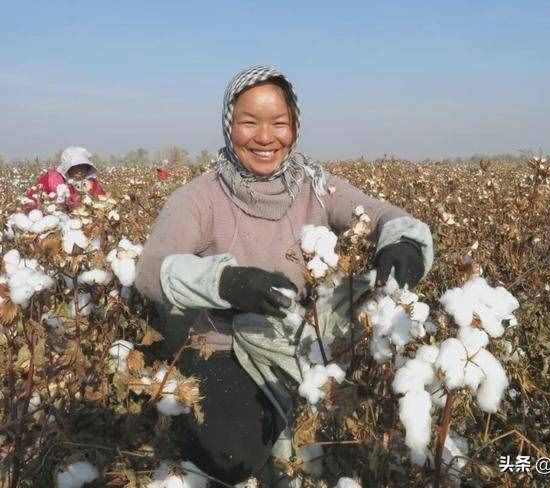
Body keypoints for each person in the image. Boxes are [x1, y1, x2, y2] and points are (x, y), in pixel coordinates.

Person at [135, 65, 436, 487]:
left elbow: (382, 214)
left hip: (301, 335)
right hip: (225, 343)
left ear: (294, 127)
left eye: (279, 123)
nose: (264, 137)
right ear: (228, 125)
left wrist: (402, 241)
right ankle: (191, 442)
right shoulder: (199, 198)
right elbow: (150, 271)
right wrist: (228, 283)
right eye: (248, 122)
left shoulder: (314, 185)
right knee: (232, 456)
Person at [25, 146, 105, 209]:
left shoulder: (93, 184)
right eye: (76, 167)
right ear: (67, 167)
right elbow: (31, 197)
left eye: (83, 166)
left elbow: (102, 201)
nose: (80, 170)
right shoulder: (51, 179)